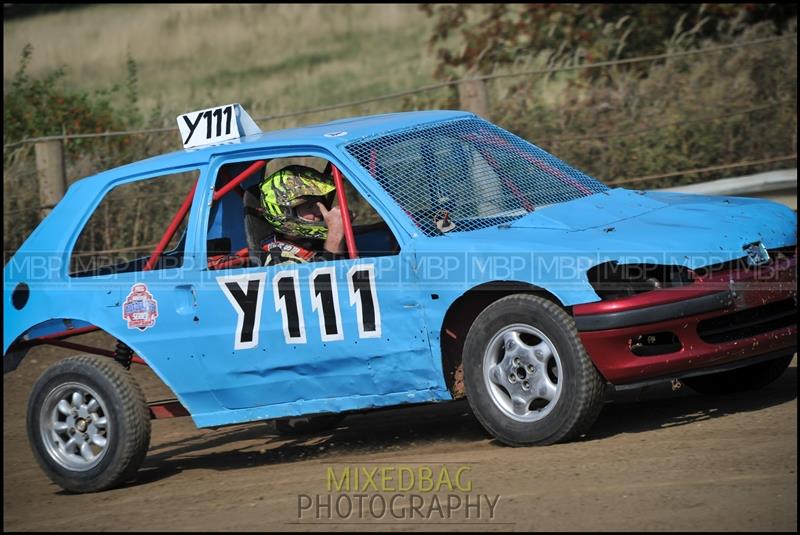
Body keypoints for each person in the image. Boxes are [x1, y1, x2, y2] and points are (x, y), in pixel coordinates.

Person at [258, 165, 347, 265]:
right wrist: (335, 235)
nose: (320, 211)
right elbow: (331, 278)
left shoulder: (312, 243)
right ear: (285, 213)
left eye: (321, 202)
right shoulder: (279, 259)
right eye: (310, 206)